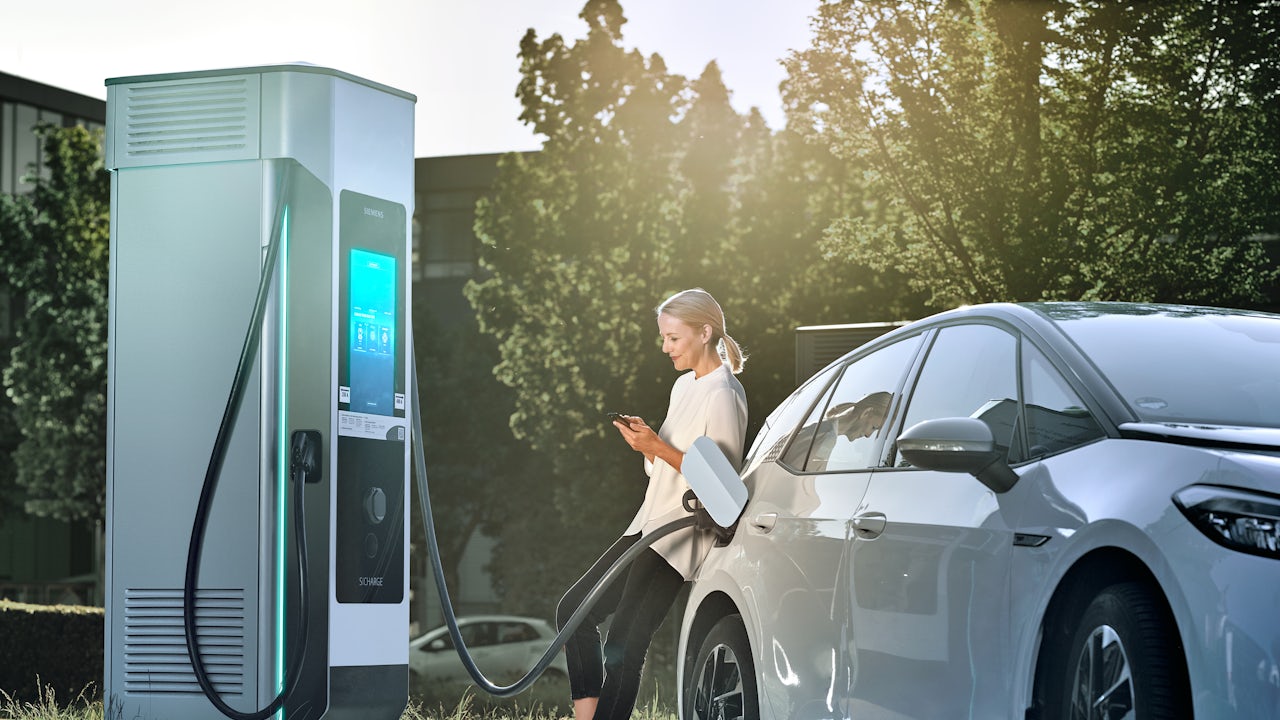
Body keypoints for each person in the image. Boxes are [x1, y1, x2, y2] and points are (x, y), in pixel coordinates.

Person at [556, 288, 748, 720]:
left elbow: (722, 488)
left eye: (673, 338)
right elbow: (667, 467)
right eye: (663, 337)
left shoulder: (724, 394)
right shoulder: (684, 387)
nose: (665, 347)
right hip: (646, 524)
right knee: (573, 613)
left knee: (624, 642)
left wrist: (658, 446)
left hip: (680, 535)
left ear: (704, 332)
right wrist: (648, 448)